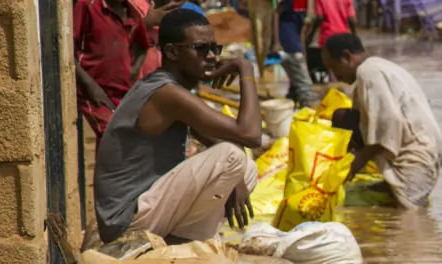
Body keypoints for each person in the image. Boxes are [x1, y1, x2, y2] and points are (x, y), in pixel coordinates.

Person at [93, 9, 263, 246]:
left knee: (246, 168)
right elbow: (251, 135)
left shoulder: (171, 89)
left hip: (146, 208)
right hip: (126, 221)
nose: (212, 57)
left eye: (215, 48)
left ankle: (188, 240)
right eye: (201, 49)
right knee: (232, 157)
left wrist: (237, 179)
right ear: (172, 51)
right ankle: (184, 241)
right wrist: (246, 70)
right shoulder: (167, 93)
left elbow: (223, 138)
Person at [321, 33, 442, 210]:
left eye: (335, 68)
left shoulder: (368, 74)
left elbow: (387, 126)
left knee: (410, 222)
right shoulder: (379, 67)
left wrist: (353, 166)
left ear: (346, 57)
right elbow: (364, 122)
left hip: (416, 154)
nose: (335, 77)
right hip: (426, 145)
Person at [74, 0, 182, 139]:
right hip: (93, 93)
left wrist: (132, 71)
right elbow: (67, 50)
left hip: (122, 93)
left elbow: (142, 44)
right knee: (115, 135)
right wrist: (91, 86)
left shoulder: (132, 12)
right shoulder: (88, 5)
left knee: (116, 142)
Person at [271, 0, 319, 106]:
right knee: (306, 89)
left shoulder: (306, 5)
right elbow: (276, 13)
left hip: (294, 46)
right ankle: (309, 114)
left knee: (295, 87)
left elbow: (302, 31)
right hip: (287, 46)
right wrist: (276, 42)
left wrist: (303, 51)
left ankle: (290, 111)